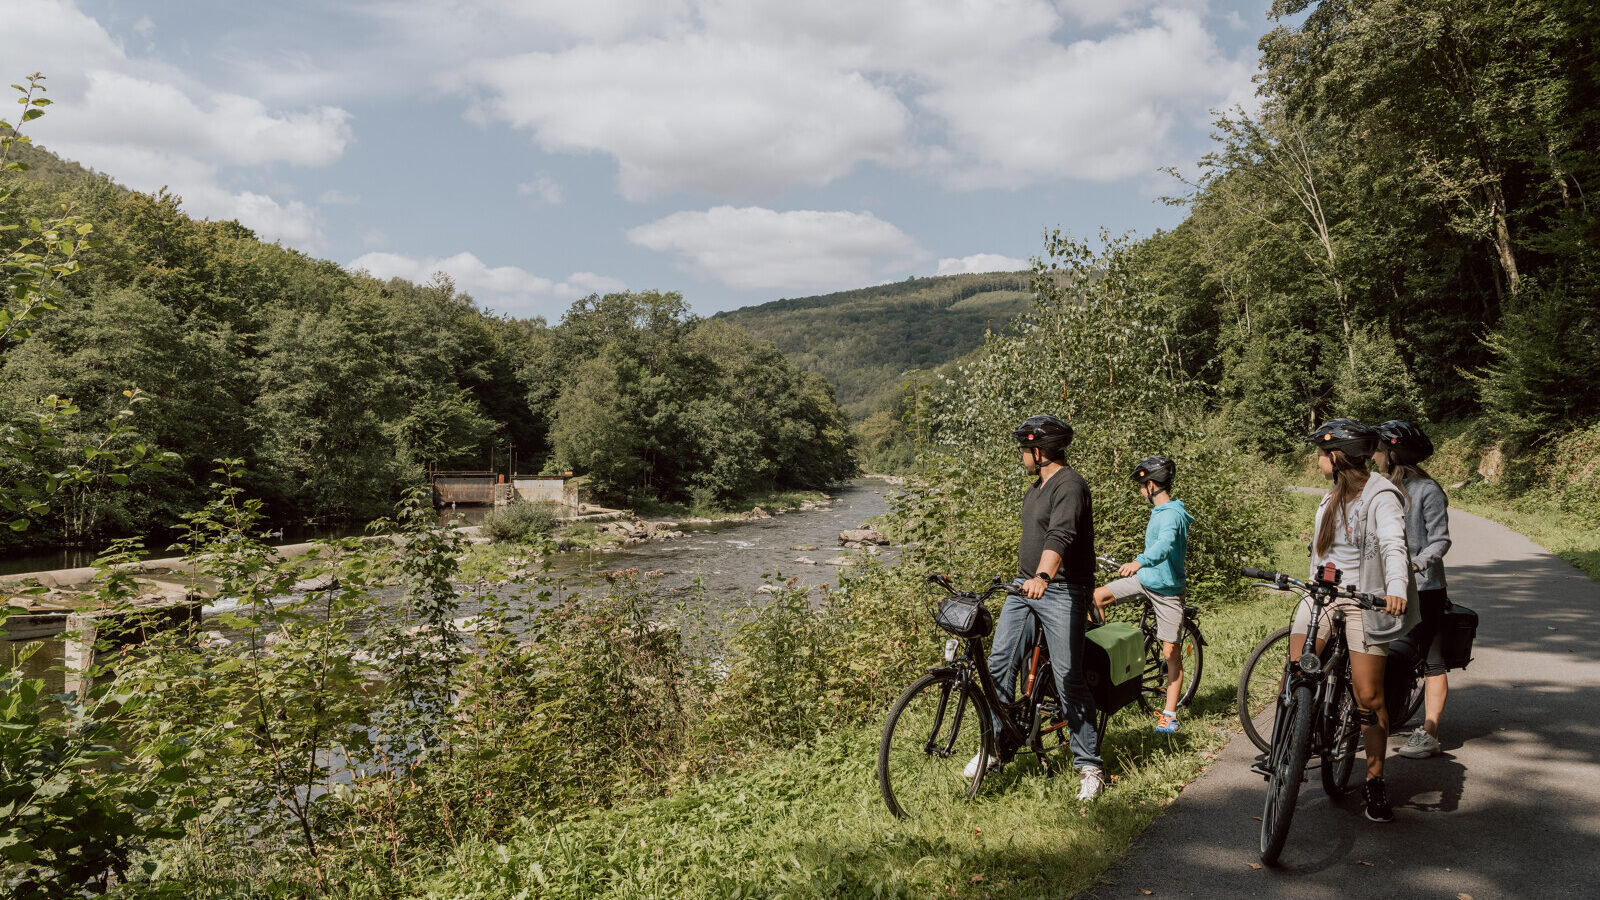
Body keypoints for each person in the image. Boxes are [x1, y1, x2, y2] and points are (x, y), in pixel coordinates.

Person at [965, 414, 1104, 800]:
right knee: (998, 666)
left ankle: (1089, 765)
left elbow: (1061, 535)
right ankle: (995, 747)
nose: (1021, 456)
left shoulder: (1070, 485)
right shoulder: (1035, 489)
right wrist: (1026, 580)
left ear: (1039, 451)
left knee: (1067, 678)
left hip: (1060, 590)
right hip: (1023, 589)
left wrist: (1043, 576)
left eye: (1024, 449)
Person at [1298, 418, 1418, 823]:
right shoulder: (1330, 498)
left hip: (1363, 599)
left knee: (1369, 696)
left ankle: (1375, 780)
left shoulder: (1381, 495)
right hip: (1322, 595)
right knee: (1297, 665)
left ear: (1335, 457)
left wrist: (1397, 587)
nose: (1317, 461)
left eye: (1320, 455)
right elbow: (1321, 554)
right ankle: (1294, 735)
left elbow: (1392, 543)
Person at [1093, 456, 1194, 734]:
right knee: (1097, 597)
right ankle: (1103, 662)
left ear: (1151, 485)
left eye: (1141, 486)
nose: (1141, 492)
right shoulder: (1158, 512)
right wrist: (1141, 569)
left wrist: (1139, 561)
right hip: (1145, 581)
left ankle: (1170, 714)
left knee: (1170, 651)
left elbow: (1165, 545)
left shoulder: (1173, 513)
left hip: (1168, 591)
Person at [1374, 420, 1453, 759]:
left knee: (1432, 661)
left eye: (1379, 450)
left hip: (1424, 588)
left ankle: (1430, 730)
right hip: (1384, 585)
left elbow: (1440, 540)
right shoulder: (1377, 489)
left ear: (1394, 454)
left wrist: (1418, 563)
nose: (1374, 456)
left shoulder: (1427, 491)